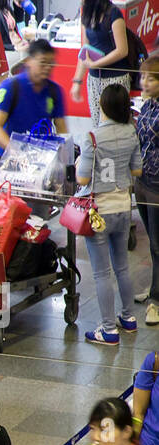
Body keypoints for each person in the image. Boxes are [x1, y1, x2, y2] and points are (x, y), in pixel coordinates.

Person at [79, 83, 143, 346]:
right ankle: (128, 318)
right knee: (122, 268)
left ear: (103, 106)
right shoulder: (131, 132)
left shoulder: (93, 137)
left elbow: (83, 176)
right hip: (123, 208)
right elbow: (136, 171)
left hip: (99, 212)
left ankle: (108, 330)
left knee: (102, 274)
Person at [0, 40, 68, 171]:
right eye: (43, 62)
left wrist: (64, 162)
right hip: (10, 162)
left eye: (51, 63)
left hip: (40, 163)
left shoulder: (54, 91)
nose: (47, 67)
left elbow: (62, 130)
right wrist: (18, 154)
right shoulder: (10, 87)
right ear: (29, 61)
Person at [72, 0, 131, 126]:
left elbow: (122, 50)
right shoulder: (86, 14)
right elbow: (85, 50)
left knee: (115, 123)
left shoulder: (113, 13)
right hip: (94, 80)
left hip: (115, 79)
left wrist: (96, 64)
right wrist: (77, 81)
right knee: (97, 123)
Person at [132, 55, 159, 322]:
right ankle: (155, 289)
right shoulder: (148, 105)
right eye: (143, 76)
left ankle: (157, 301)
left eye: (151, 78)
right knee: (153, 243)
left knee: (158, 244)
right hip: (142, 182)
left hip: (157, 186)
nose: (145, 82)